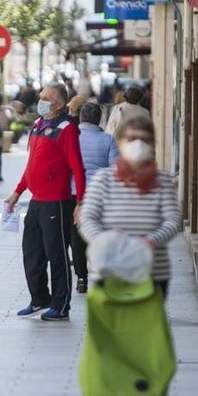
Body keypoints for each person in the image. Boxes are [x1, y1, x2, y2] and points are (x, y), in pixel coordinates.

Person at [5, 81, 86, 322]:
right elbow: (32, 165)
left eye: (46, 98)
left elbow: (77, 168)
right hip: (36, 201)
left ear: (59, 103)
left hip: (57, 202)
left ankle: (61, 306)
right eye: (41, 96)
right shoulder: (39, 124)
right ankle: (40, 298)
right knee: (32, 252)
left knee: (57, 255)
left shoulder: (67, 128)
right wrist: (17, 193)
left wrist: (80, 203)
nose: (41, 101)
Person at [77, 115, 182, 300]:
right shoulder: (103, 179)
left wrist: (150, 241)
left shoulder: (162, 180)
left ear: (152, 144)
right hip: (109, 267)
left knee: (146, 325)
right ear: (120, 143)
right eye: (132, 139)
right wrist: (103, 241)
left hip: (152, 269)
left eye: (144, 139)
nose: (138, 144)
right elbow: (87, 218)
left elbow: (173, 220)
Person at [71, 102, 119, 294]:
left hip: (74, 195)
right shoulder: (108, 140)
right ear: (99, 119)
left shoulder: (71, 137)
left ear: (81, 118)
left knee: (77, 237)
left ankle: (81, 278)